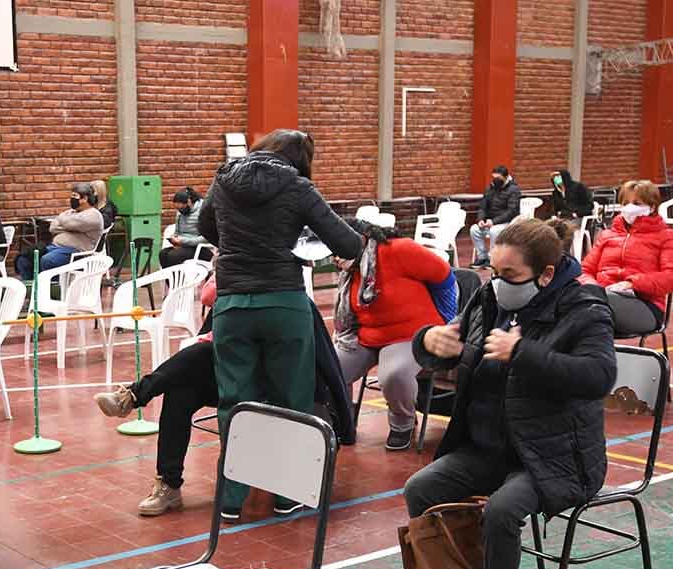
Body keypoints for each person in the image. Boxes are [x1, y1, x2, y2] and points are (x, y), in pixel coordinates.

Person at [405, 219, 615, 569]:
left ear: (546, 273)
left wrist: (524, 353)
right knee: (421, 488)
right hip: (489, 447)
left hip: (556, 457)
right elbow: (454, 339)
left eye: (511, 276)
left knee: (502, 510)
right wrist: (429, 341)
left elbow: (599, 376)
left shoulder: (584, 307)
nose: (499, 284)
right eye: (494, 273)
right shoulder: (487, 297)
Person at [197, 128, 362, 522]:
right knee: (291, 399)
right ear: (301, 158)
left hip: (233, 302)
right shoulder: (298, 186)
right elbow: (349, 244)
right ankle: (287, 492)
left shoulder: (224, 178)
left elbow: (205, 227)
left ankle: (231, 499)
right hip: (284, 303)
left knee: (234, 401)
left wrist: (241, 244)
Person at [93, 275, 356, 516]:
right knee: (179, 390)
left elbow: (320, 364)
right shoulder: (231, 299)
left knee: (201, 353)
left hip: (279, 388)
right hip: (234, 381)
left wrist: (341, 418)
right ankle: (169, 485)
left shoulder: (288, 301)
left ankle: (133, 395)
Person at [333, 217, 456, 451]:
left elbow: (444, 275)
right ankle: (342, 418)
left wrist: (448, 320)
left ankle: (403, 423)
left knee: (393, 374)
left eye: (340, 249)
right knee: (329, 368)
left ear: (361, 240)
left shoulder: (398, 249)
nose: (336, 257)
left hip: (411, 333)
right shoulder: (351, 270)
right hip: (368, 335)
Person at [579, 179, 673, 334]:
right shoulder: (607, 235)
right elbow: (585, 270)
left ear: (651, 207)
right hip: (600, 297)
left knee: (587, 307)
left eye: (637, 203)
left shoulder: (667, 236)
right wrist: (593, 286)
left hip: (644, 305)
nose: (630, 208)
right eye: (625, 203)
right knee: (570, 299)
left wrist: (633, 283)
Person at [15, 183, 105, 280]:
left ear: (85, 199)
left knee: (48, 260)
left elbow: (70, 224)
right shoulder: (71, 212)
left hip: (77, 252)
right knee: (24, 258)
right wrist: (68, 225)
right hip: (54, 248)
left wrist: (63, 221)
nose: (71, 199)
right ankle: (34, 288)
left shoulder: (94, 215)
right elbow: (53, 227)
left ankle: (55, 290)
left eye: (75, 196)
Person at [469, 165, 521, 270]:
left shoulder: (514, 189)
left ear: (506, 177)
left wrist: (494, 221)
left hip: (507, 222)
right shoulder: (491, 188)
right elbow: (483, 206)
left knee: (494, 231)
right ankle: (482, 257)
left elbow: (511, 211)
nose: (496, 180)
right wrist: (480, 220)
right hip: (490, 222)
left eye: (498, 178)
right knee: (474, 229)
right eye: (494, 177)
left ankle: (492, 259)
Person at [159, 187, 211, 269]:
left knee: (172, 256)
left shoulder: (203, 211)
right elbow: (178, 232)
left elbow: (207, 237)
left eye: (182, 208)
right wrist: (174, 239)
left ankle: (180, 280)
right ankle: (171, 281)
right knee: (163, 254)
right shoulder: (180, 213)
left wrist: (183, 241)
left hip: (201, 248)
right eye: (178, 209)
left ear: (189, 201)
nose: (180, 211)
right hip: (184, 246)